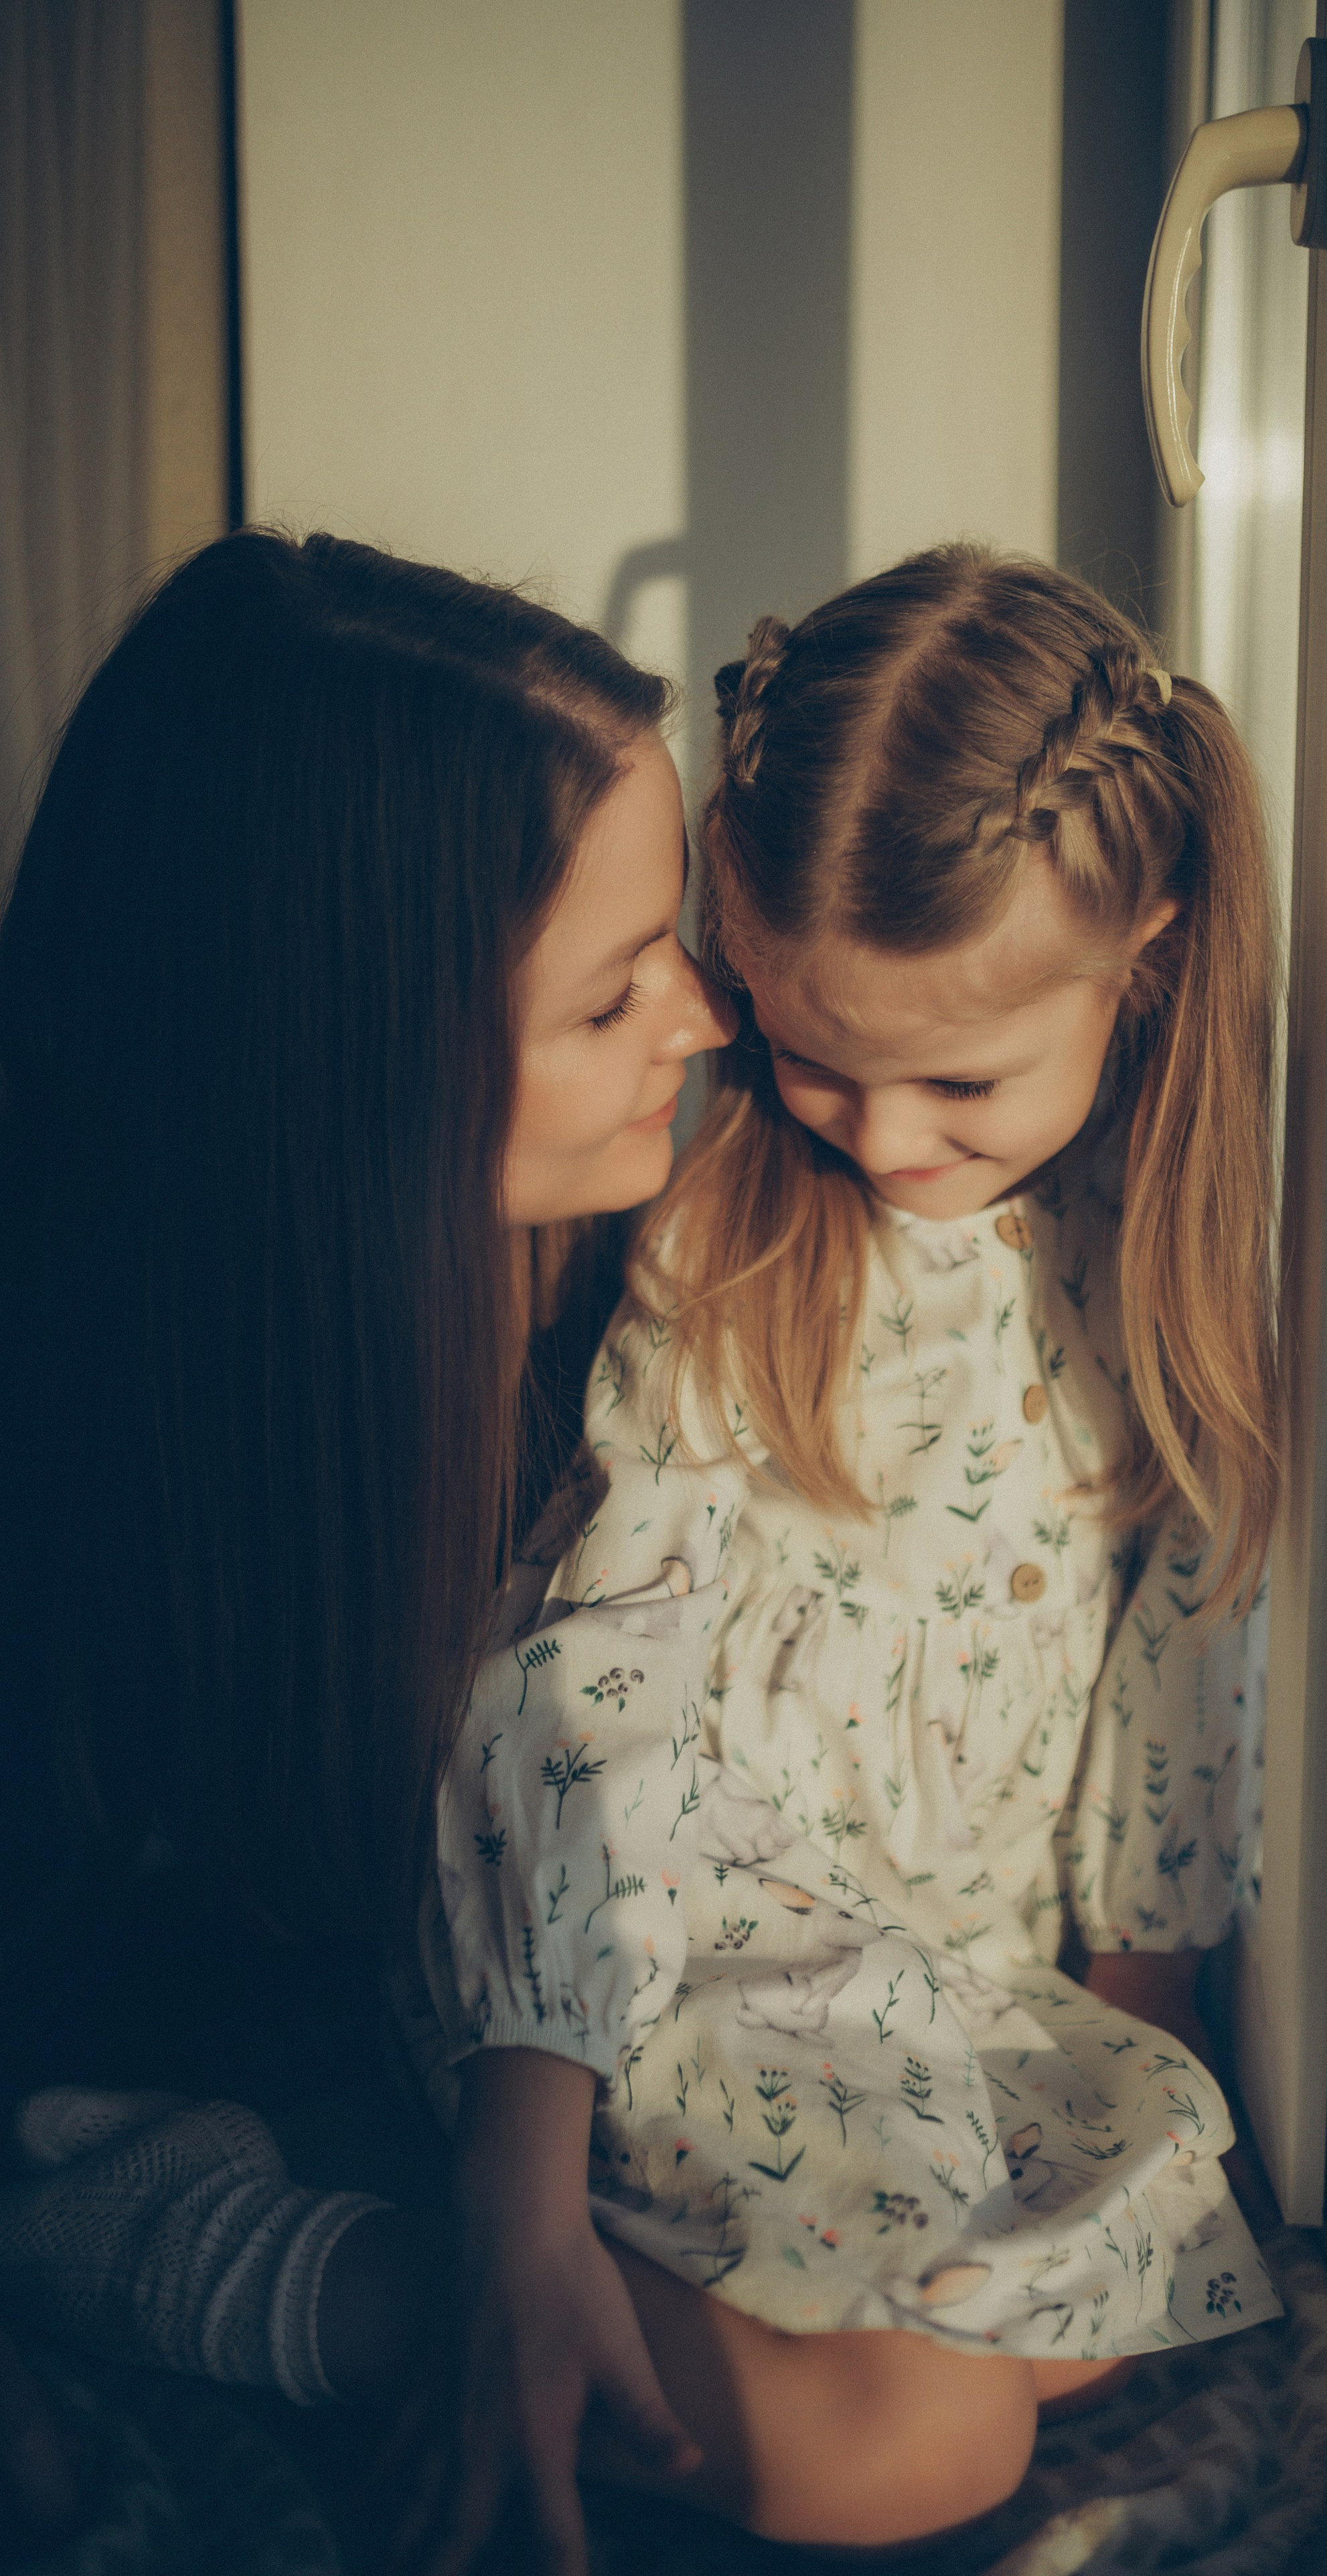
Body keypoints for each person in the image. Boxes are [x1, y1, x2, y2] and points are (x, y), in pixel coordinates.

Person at [424, 546, 1283, 2564]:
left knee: (1089, 2334)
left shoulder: (1167, 1269)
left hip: (948, 2001)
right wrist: (517, 2190)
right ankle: (342, 2275)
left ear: (1143, 954)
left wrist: (1131, 2090)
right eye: (816, 1058)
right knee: (923, 2449)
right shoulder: (738, 1240)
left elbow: (1175, 1689)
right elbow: (589, 1682)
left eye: (956, 1078)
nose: (882, 1137)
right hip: (677, 1966)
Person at [0, 530, 730, 2547]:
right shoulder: (75, 1501)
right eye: (612, 995)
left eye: (676, 942)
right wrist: (399, 2294)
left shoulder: (636, 1318)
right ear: (367, 1080)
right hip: (205, 2178)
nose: (701, 1019)